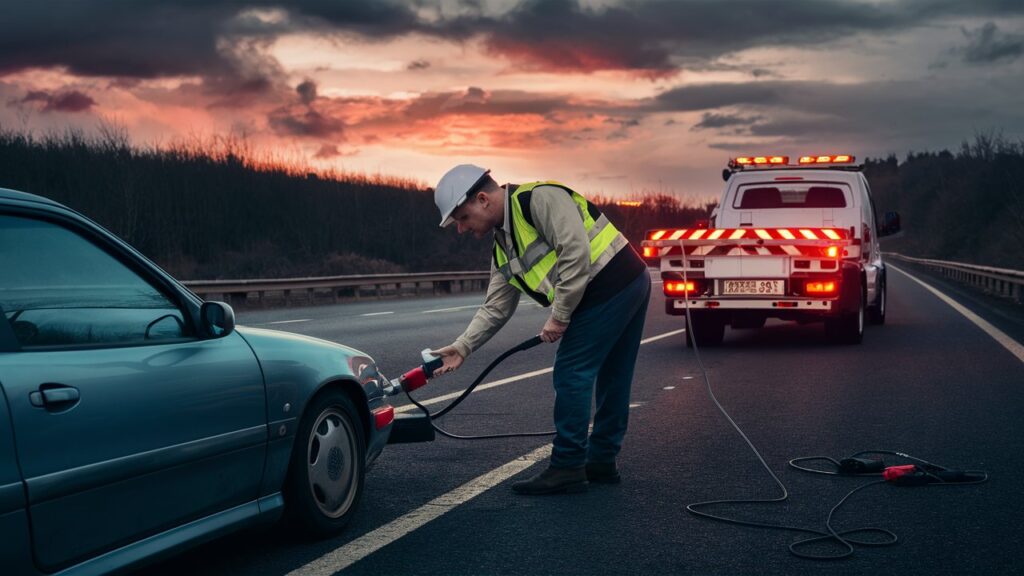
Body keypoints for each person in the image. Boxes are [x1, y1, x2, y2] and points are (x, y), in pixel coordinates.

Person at [429, 164, 651, 495]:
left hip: (610, 283)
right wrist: (462, 347)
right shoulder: (502, 246)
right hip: (625, 283)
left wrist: (560, 316)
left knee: (572, 372)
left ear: (482, 199)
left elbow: (575, 253)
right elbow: (496, 307)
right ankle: (601, 461)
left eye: (462, 218)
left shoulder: (539, 199)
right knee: (612, 375)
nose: (461, 229)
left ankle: (568, 466)